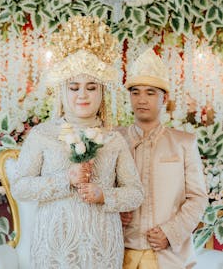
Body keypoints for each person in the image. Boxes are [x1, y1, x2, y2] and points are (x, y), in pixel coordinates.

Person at [11, 16, 144, 269]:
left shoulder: (113, 139)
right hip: (54, 246)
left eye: (91, 87)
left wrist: (104, 194)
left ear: (101, 92)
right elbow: (20, 187)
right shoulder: (43, 134)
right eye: (74, 87)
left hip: (102, 246)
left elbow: (135, 193)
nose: (83, 94)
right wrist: (65, 179)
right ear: (63, 91)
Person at [119, 48, 208, 269]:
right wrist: (114, 214)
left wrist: (170, 232)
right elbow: (101, 191)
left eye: (150, 93)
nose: (141, 99)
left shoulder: (184, 142)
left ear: (164, 98)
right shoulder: (114, 140)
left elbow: (198, 198)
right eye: (135, 92)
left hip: (167, 255)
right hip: (119, 250)